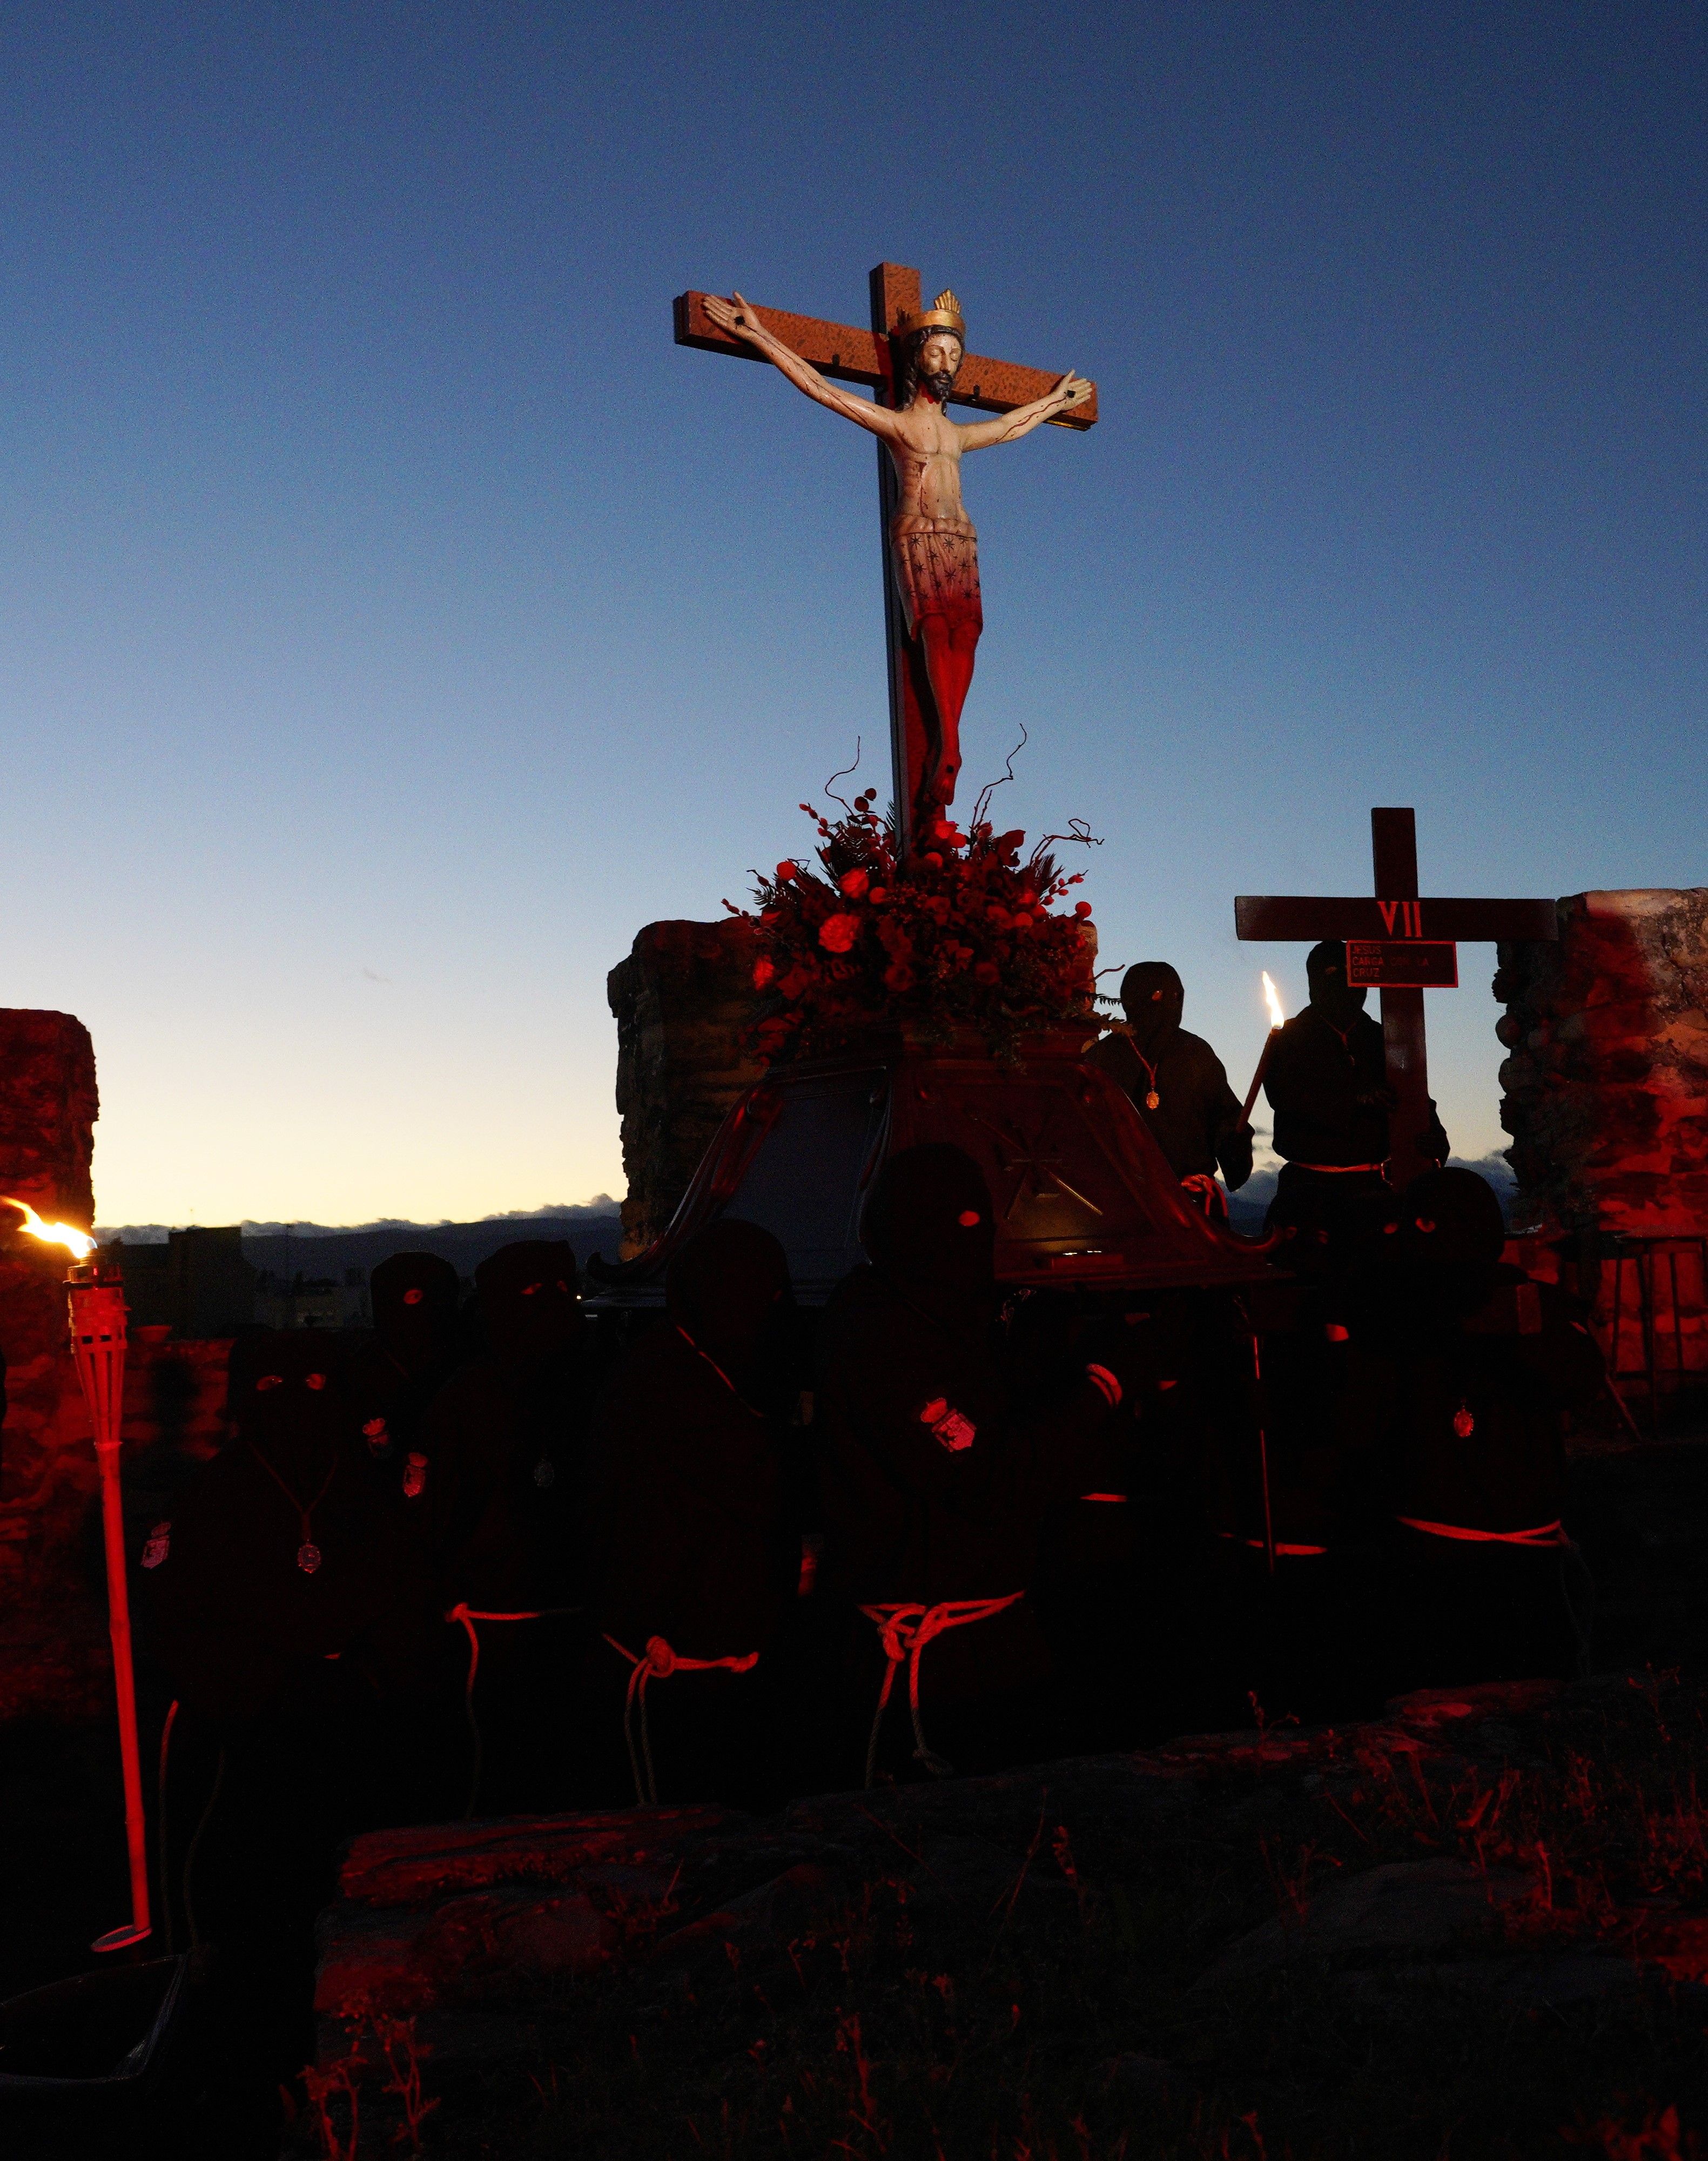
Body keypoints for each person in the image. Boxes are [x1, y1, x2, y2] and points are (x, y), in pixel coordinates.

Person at [146, 1331, 440, 2113]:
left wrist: (366, 1673)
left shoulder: (370, 1494)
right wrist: (272, 1681)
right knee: (265, 1913)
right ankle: (263, 2071)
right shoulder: (209, 1500)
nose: (297, 1411)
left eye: (315, 1389)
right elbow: (181, 1623)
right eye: (276, 1391)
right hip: (257, 1743)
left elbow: (412, 1595)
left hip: (360, 1731)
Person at [816, 1143, 1144, 1784]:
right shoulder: (880, 1340)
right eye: (953, 1226)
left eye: (978, 1224)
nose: (970, 1242)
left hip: (994, 1639)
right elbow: (988, 1475)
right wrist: (1099, 1388)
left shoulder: (939, 1317)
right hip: (925, 1666)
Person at [701, 286, 1092, 809]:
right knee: (933, 626)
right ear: (915, 358)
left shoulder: (956, 435)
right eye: (936, 352)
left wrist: (1056, 402)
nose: (946, 363)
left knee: (968, 633)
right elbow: (822, 388)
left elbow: (1008, 426)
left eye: (953, 354)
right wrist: (760, 335)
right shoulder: (899, 424)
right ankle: (948, 743)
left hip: (960, 534)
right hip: (920, 530)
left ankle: (950, 738)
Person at [1336, 1167, 1602, 1693]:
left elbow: (1577, 1378)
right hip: (1440, 1548)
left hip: (1508, 1551)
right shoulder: (1396, 1314)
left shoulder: (1525, 1305)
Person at [582, 1219, 798, 1808]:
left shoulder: (684, 1367)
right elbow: (759, 1487)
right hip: (674, 1670)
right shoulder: (669, 1386)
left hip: (710, 1662)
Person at [413, 1239, 591, 1807]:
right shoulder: (466, 1399)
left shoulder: (600, 1384)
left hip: (581, 1615)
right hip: (492, 1623)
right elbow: (434, 1515)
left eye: (561, 1291)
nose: (550, 1307)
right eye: (533, 1294)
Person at [1263, 939, 1446, 1269]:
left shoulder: (1383, 1038)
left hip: (1374, 1190)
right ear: (1314, 984)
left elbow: (1413, 1094)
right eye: (1333, 976)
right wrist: (1351, 1099)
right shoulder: (1287, 1038)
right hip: (1308, 1193)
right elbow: (1285, 1096)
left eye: (1354, 978)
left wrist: (1431, 1134)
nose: (1346, 988)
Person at [1088, 961, 1253, 1208]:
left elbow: (1225, 1116)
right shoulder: (1103, 1058)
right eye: (1159, 994)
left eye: (1177, 995)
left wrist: (1235, 1141)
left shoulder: (1195, 1053)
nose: (1171, 1002)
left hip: (1183, 1201)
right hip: (1125, 1200)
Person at [345, 1250, 463, 1472]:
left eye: (442, 1299)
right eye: (415, 1298)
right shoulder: (364, 1375)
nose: (432, 1311)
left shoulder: (474, 1368)